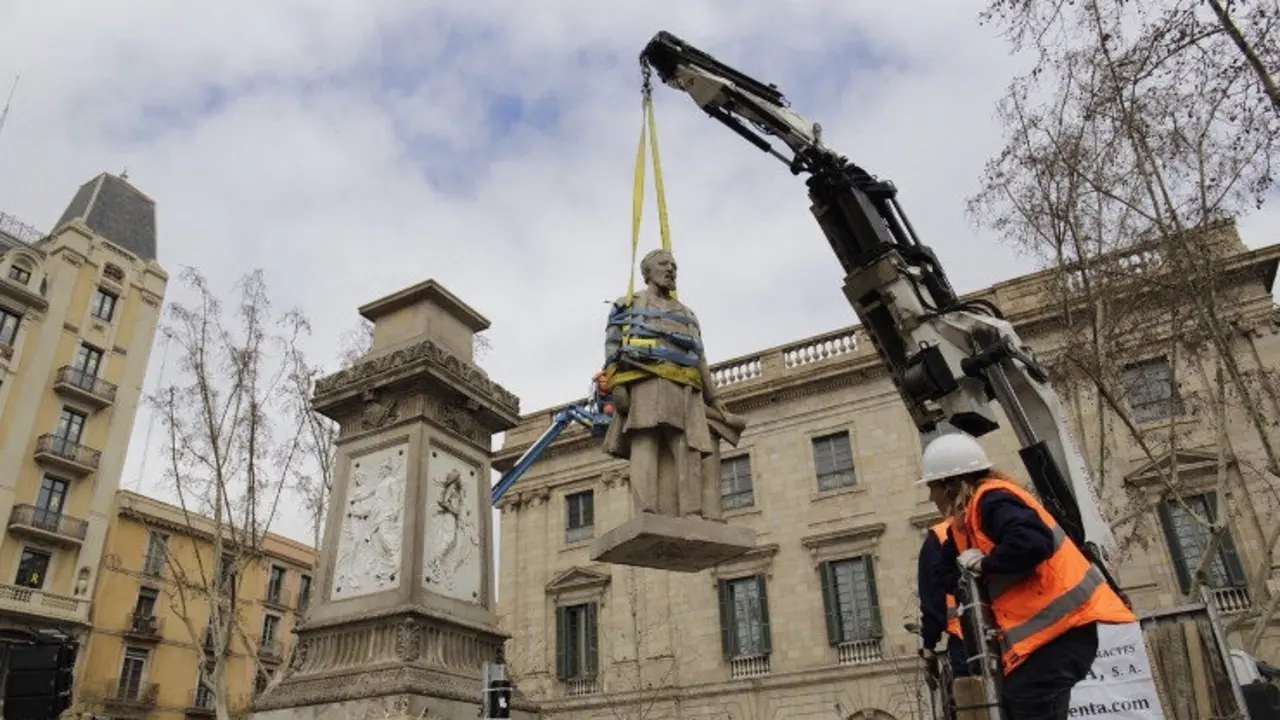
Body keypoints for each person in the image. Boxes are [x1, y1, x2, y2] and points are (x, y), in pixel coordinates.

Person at [915, 431, 1134, 719]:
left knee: (1024, 702)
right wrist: (963, 571)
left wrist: (986, 565)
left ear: (951, 484)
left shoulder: (991, 501)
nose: (931, 497)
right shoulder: (966, 523)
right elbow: (945, 577)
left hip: (1058, 635)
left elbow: (1032, 542)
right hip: (1048, 641)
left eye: (932, 487)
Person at [601, 248, 728, 519]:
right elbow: (612, 346)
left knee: (687, 447)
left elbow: (699, 357)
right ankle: (646, 510)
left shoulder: (687, 313)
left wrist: (713, 398)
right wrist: (617, 387)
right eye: (663, 264)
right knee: (644, 441)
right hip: (644, 382)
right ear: (648, 272)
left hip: (684, 388)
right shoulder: (627, 304)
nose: (670, 270)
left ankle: (691, 511)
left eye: (674, 266)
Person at [917, 518, 969, 680]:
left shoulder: (939, 535)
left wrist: (929, 645)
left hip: (963, 636)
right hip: (1010, 631)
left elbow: (932, 598)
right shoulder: (988, 517)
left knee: (972, 698)